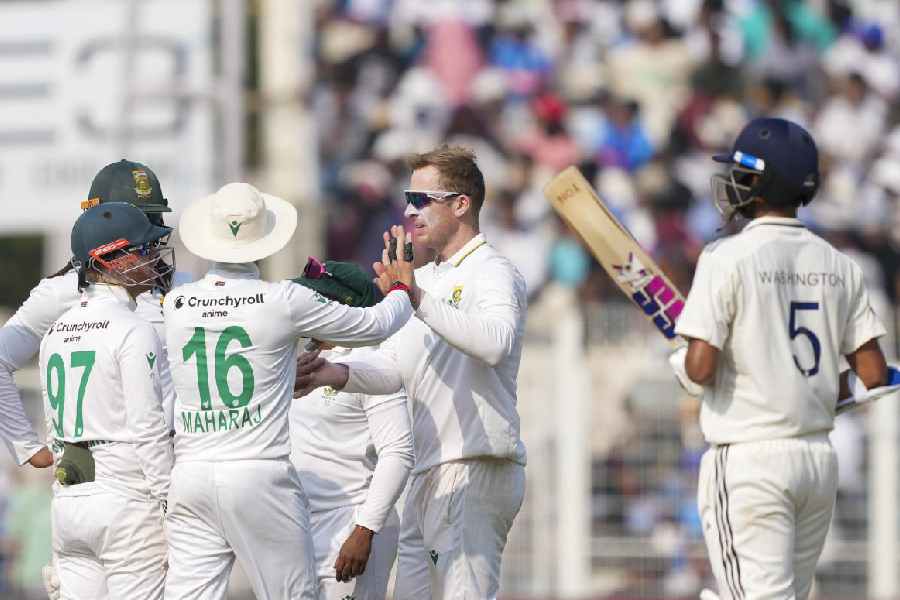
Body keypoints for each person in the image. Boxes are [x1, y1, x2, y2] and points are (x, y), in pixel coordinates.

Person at [162, 182, 417, 600]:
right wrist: (402, 290)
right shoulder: (282, 299)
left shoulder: (176, 304)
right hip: (257, 473)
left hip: (189, 475)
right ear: (261, 242)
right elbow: (376, 325)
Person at [669, 117, 889, 599]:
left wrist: (682, 360)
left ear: (760, 182)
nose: (733, 184)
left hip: (751, 458)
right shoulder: (840, 264)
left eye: (742, 174)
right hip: (815, 461)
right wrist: (799, 388)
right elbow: (873, 374)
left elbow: (700, 369)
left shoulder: (727, 257)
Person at [297, 145, 528, 599]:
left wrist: (415, 297)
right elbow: (393, 370)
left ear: (461, 204)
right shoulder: (432, 278)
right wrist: (333, 373)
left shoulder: (492, 270)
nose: (409, 210)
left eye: (422, 200)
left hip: (473, 466)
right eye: (408, 198)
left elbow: (496, 343)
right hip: (427, 476)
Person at [0, 159, 180, 470]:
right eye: (139, 224)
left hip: (178, 467)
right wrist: (26, 446)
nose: (150, 247)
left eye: (152, 222)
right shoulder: (62, 291)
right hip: (116, 473)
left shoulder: (181, 286)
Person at [40, 201, 175, 599]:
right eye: (143, 249)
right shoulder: (133, 329)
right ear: (108, 259)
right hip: (127, 504)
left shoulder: (55, 331)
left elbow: (53, 430)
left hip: (69, 503)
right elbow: (149, 429)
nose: (153, 257)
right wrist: (171, 505)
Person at [290, 258, 414, 599]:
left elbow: (398, 453)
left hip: (350, 530)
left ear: (341, 309)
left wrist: (364, 530)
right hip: (303, 528)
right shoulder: (300, 355)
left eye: (315, 300)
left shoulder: (371, 361)